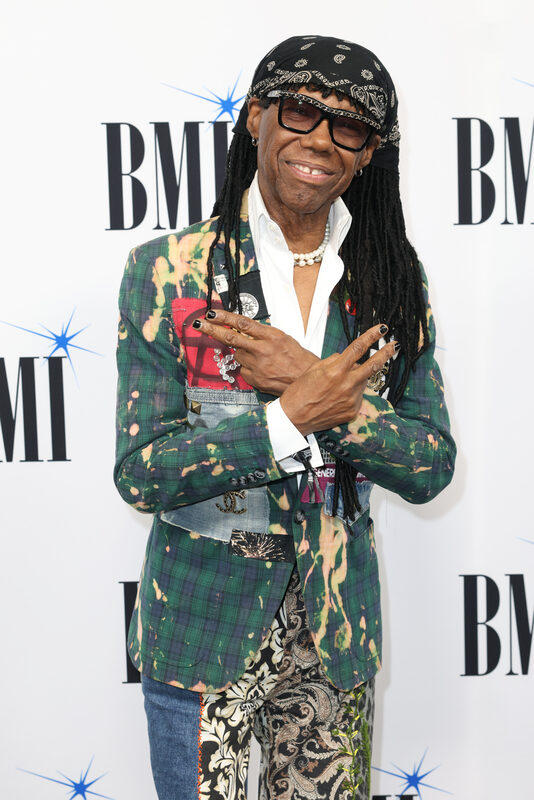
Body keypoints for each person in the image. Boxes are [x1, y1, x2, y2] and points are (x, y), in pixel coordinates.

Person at [114, 35, 455, 800]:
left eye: (350, 127)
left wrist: (314, 393)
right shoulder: (169, 270)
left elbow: (431, 465)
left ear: (370, 155)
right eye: (302, 112)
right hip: (201, 622)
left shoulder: (391, 277)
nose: (321, 142)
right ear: (257, 117)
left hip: (337, 629)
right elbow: (142, 474)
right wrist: (286, 418)